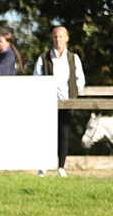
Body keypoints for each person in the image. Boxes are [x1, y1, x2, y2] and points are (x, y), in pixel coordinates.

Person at [33, 25, 86, 177]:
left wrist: (75, 95)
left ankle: (61, 167)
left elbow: (80, 79)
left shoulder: (73, 58)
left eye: (61, 36)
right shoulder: (44, 58)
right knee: (46, 135)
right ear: (52, 38)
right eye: (56, 36)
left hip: (67, 102)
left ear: (67, 39)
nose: (58, 39)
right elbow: (36, 78)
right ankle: (43, 167)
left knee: (63, 135)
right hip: (48, 103)